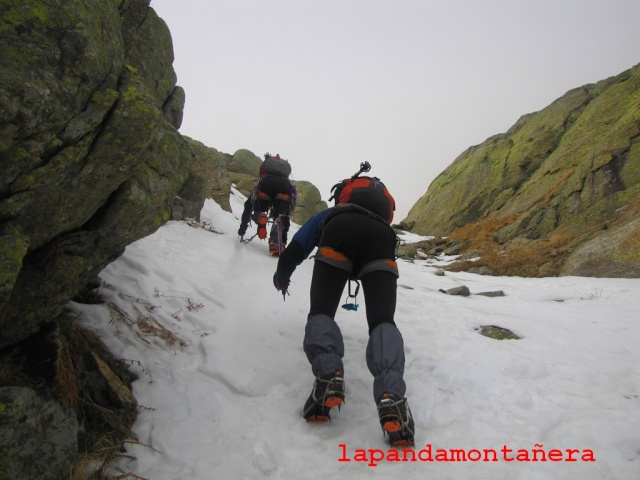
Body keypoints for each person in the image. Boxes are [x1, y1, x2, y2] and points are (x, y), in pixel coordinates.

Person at [272, 169, 415, 447]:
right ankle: (390, 396)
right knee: (383, 320)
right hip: (381, 241)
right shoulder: (382, 223)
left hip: (340, 232)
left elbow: (297, 248)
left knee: (322, 311)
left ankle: (329, 375)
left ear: (343, 195)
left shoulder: (334, 214)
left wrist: (282, 276)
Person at [238, 153, 296, 256]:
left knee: (258, 209)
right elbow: (287, 217)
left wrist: (242, 231)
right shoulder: (285, 170)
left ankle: (259, 216)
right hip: (285, 187)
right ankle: (277, 243)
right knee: (281, 216)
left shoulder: (266, 166)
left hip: (266, 183)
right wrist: (284, 241)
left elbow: (248, 205)